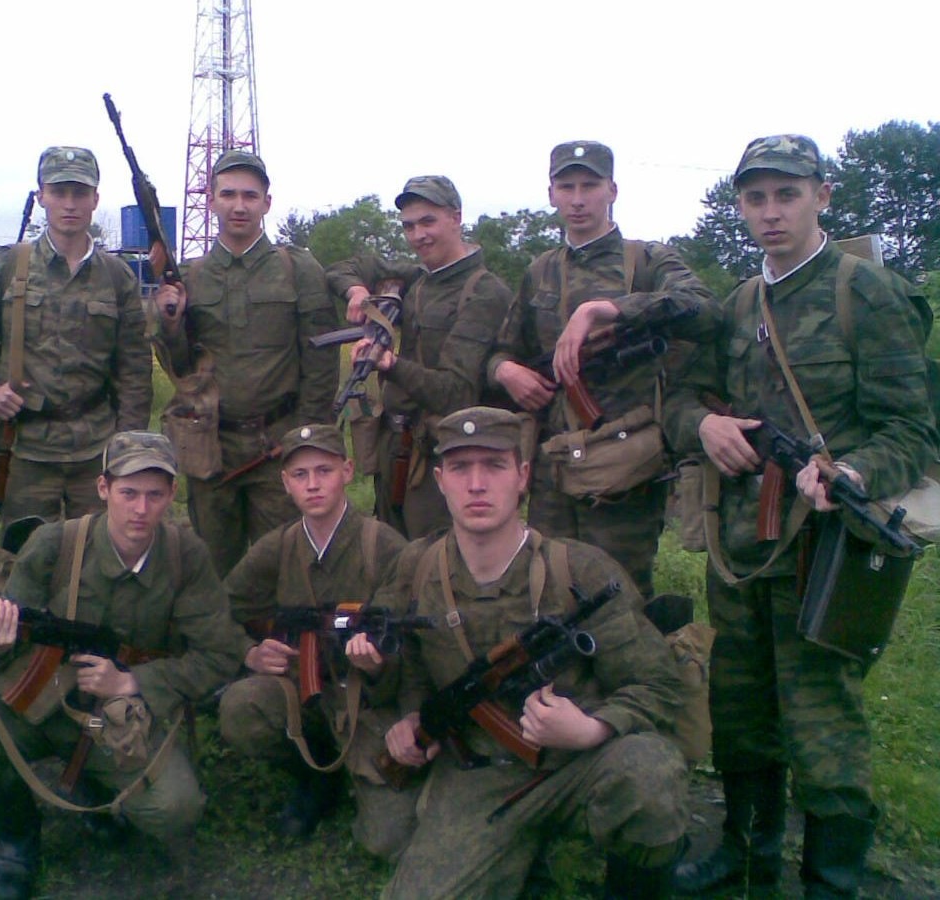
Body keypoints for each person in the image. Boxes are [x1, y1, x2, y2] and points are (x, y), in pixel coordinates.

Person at [663, 135, 937, 898]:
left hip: (826, 549)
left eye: (787, 194)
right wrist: (704, 427)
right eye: (756, 198)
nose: (771, 212)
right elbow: (680, 400)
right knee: (739, 708)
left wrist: (853, 471)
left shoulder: (866, 293)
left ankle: (830, 879)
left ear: (822, 194)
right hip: (741, 551)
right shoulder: (737, 305)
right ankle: (745, 855)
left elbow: (912, 430)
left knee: (823, 722)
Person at [376, 406, 688, 898]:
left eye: (494, 465)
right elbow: (408, 659)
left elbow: (658, 684)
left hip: (579, 766)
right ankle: (525, 854)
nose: (476, 484)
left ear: (522, 476)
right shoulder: (416, 569)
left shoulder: (579, 570)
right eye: (460, 468)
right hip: (480, 776)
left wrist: (592, 729)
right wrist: (412, 717)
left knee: (649, 775)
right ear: (439, 480)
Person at [0, 431, 247, 900]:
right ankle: (18, 839)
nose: (140, 509)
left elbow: (220, 654)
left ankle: (93, 784)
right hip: (38, 700)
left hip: (119, 718)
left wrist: (134, 680)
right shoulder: (55, 545)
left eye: (154, 495)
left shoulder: (185, 556)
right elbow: (8, 634)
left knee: (175, 808)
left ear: (172, 495)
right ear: (103, 488)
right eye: (128, 493)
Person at [487, 141, 717, 598]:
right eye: (566, 187)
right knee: (548, 589)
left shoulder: (647, 261)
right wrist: (506, 372)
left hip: (623, 471)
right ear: (551, 194)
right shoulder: (540, 271)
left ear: (612, 190)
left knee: (619, 595)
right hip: (554, 467)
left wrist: (608, 309)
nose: (578, 199)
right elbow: (502, 351)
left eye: (589, 186)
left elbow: (706, 310)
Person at [216, 423, 417, 856]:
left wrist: (377, 663)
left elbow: (410, 642)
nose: (313, 484)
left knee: (389, 838)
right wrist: (249, 652)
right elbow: (219, 608)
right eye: (300, 474)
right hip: (301, 692)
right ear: (285, 483)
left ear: (347, 471)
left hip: (366, 703)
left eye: (324, 471)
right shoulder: (279, 546)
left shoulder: (382, 545)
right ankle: (313, 772)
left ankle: (354, 768)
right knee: (241, 708)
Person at [153, 149, 338, 578]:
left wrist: (303, 437)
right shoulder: (191, 277)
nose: (239, 206)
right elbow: (182, 369)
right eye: (229, 194)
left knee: (286, 566)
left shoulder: (298, 269)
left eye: (250, 196)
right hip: (211, 448)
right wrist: (170, 324)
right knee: (215, 569)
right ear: (211, 200)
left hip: (278, 445)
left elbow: (321, 362)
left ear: (267, 203)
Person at [0, 146, 152, 526]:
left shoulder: (116, 276)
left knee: (95, 551)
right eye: (59, 192)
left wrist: (128, 447)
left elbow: (134, 369)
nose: (69, 203)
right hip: (24, 447)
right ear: (41, 196)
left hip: (96, 448)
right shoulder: (8, 265)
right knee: (25, 553)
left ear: (95, 199)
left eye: (80, 193)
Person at [326, 176, 512, 538]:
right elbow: (340, 269)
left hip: (442, 454)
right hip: (395, 445)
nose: (418, 236)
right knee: (392, 553)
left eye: (428, 222)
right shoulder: (418, 278)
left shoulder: (484, 292)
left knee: (434, 557)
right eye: (409, 226)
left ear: (456, 218)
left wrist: (390, 364)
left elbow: (455, 392)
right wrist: (357, 291)